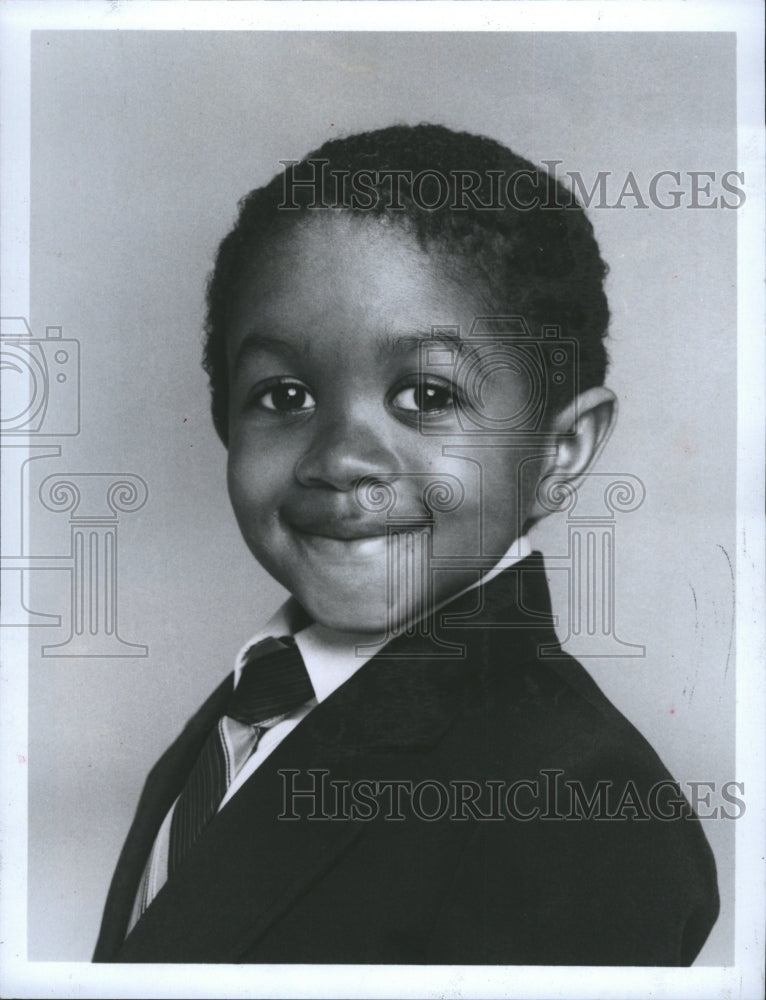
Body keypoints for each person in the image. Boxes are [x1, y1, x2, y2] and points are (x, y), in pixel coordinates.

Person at [93, 124, 719, 965]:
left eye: (425, 394)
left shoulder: (576, 802)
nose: (342, 458)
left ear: (558, 452)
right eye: (284, 396)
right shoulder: (253, 706)